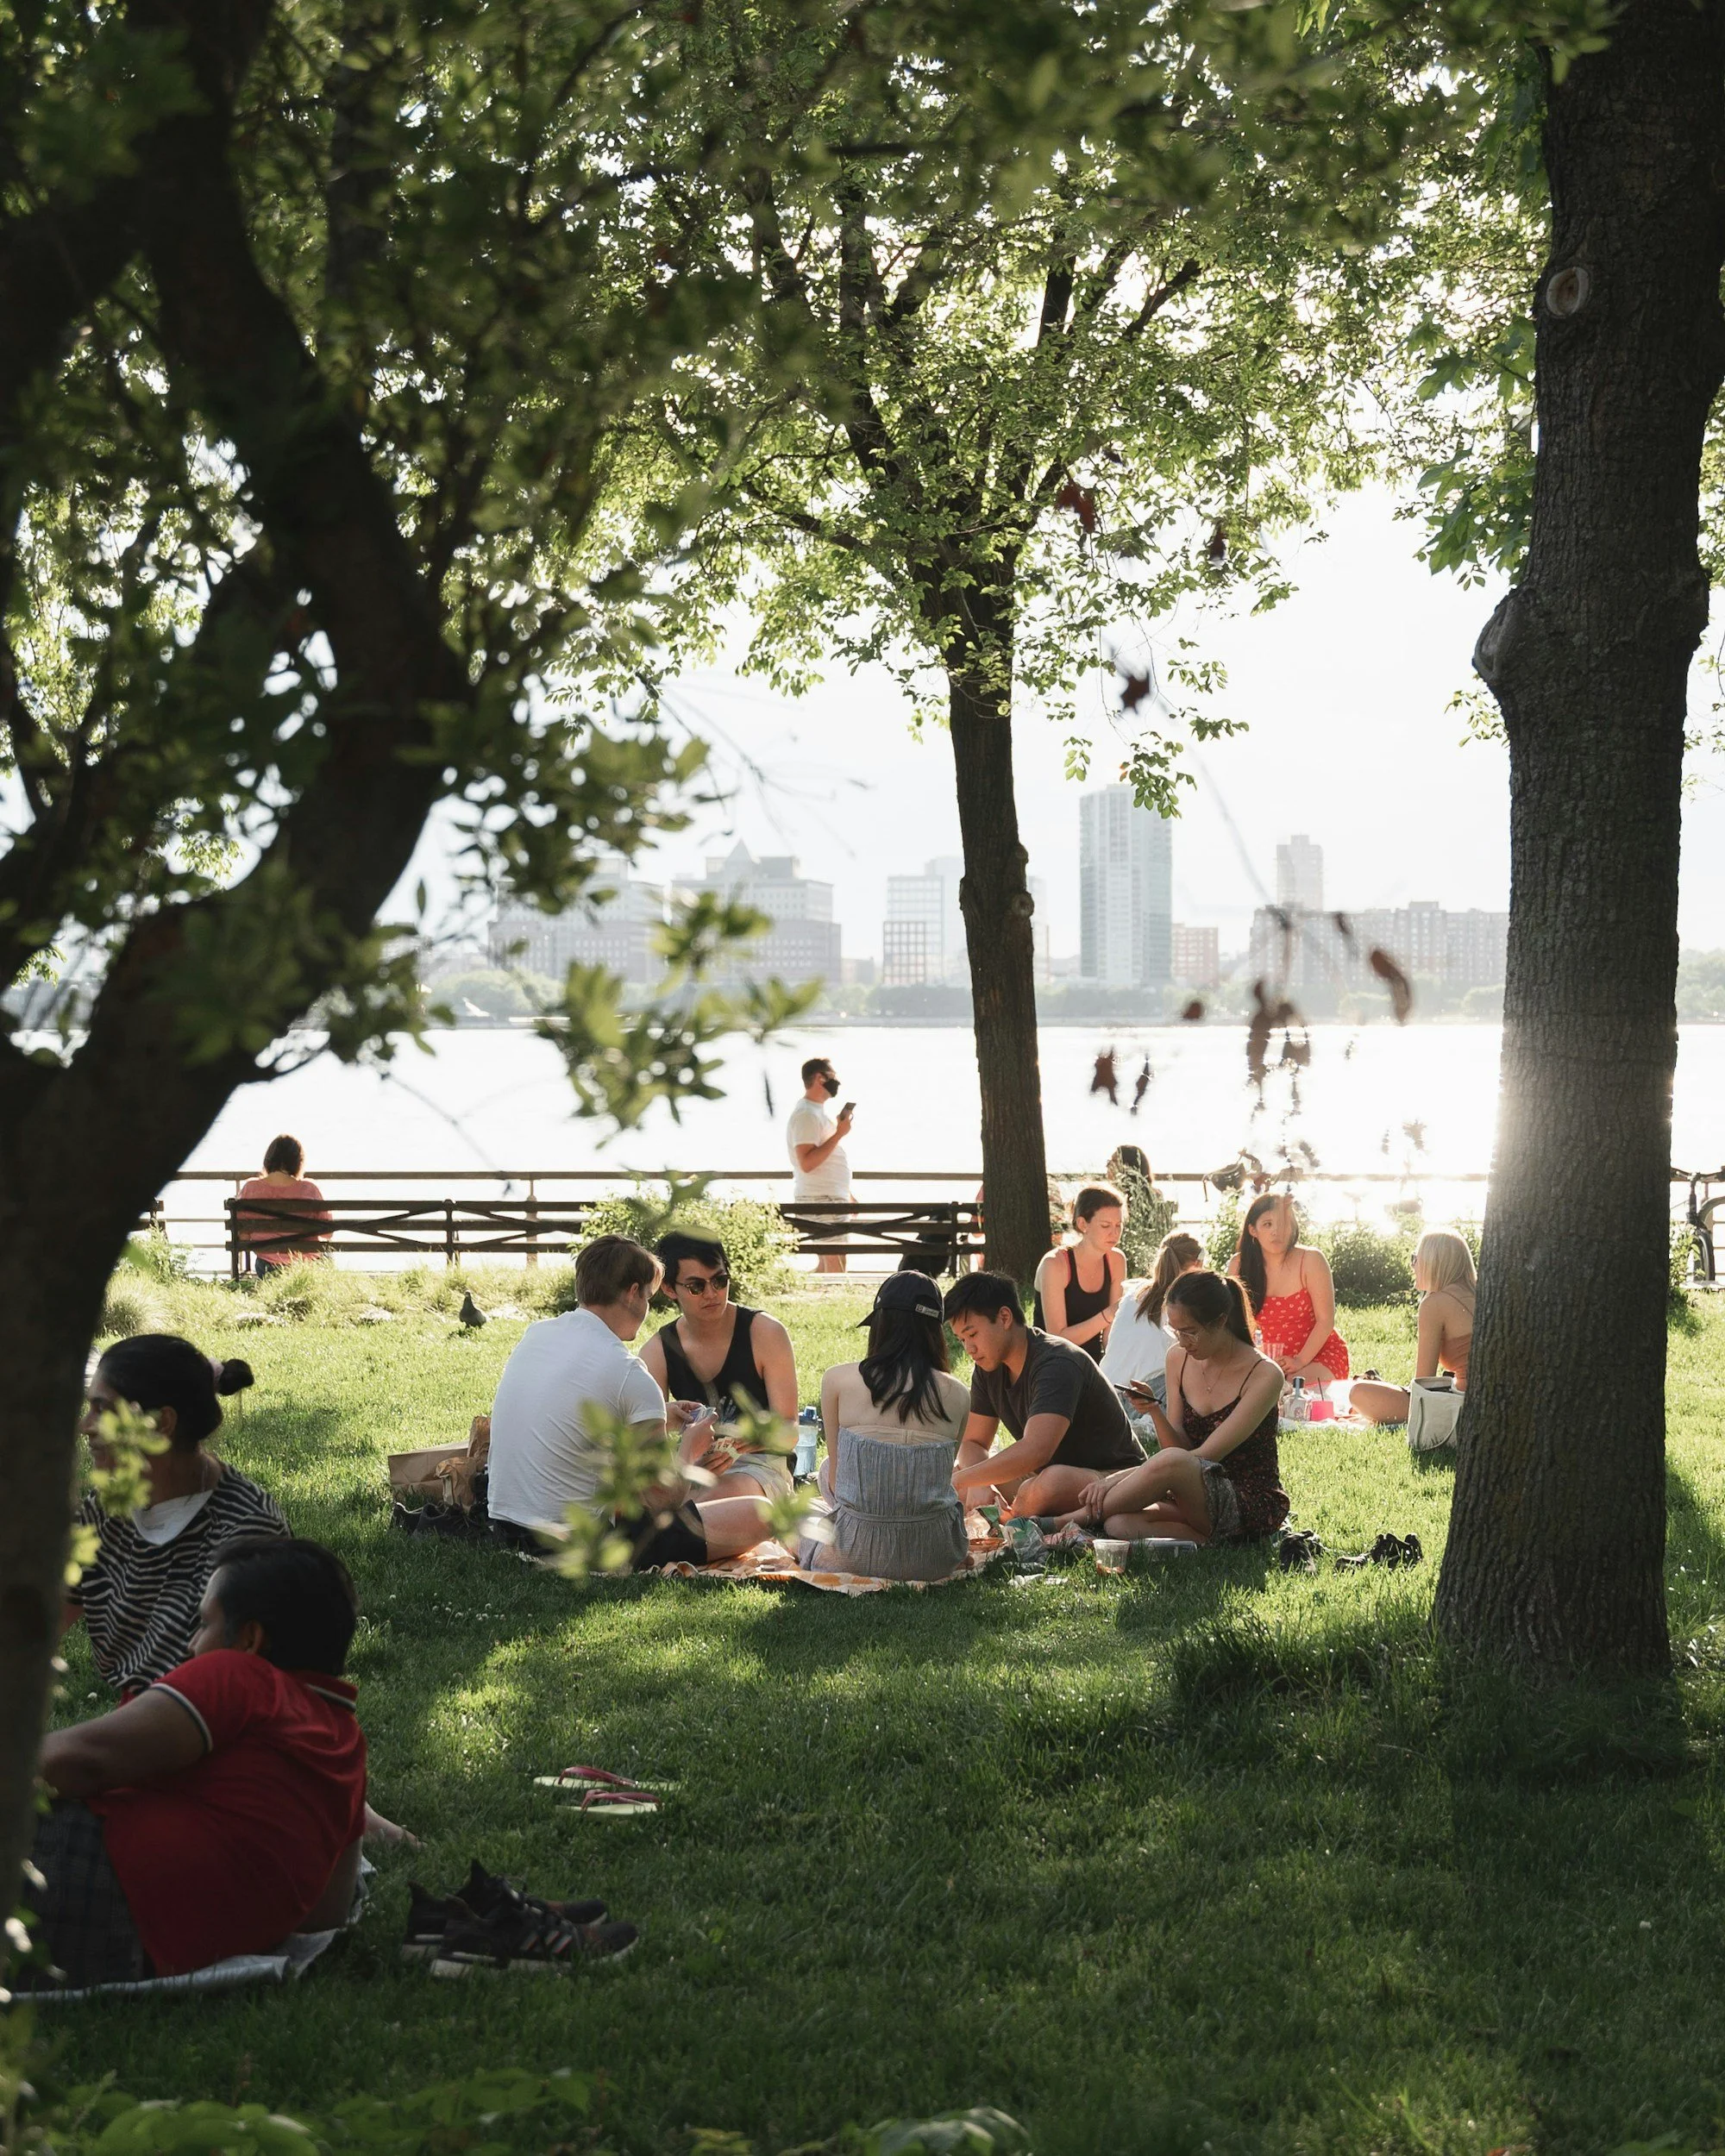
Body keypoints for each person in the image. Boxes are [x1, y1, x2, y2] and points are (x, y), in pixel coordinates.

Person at [24, 1536, 367, 1986]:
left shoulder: (242, 1676)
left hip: (85, 1878)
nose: (190, 1646)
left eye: (204, 1624)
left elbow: (79, 1762)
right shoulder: (346, 1745)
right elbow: (326, 1916)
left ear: (249, 1639)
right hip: (133, 1954)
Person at [486, 1234, 777, 1567]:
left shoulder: (537, 1335)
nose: (647, 1309)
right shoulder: (629, 1373)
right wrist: (689, 1452)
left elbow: (576, 1417)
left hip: (506, 1527)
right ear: (632, 1292)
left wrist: (660, 1413)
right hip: (581, 1544)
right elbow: (659, 1500)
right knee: (760, 1513)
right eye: (649, 1297)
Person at [67, 1335, 287, 1697]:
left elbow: (230, 1690)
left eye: (102, 1410)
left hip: (217, 1724)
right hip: (144, 1721)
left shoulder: (247, 1528)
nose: (85, 1426)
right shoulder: (105, 1509)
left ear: (162, 1422)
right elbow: (32, 1624)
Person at [1064, 1269, 1289, 1545]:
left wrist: (1115, 1480)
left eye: (1190, 1332)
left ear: (1220, 1321)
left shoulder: (1265, 1374)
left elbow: (1202, 1458)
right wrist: (1154, 1410)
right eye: (1175, 1330)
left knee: (1172, 1466)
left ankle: (1063, 1522)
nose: (1181, 1341)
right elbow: (1177, 1449)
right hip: (1190, 1494)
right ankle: (1212, 1542)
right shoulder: (1178, 1358)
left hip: (1244, 1498)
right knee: (1119, 1525)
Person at [798, 1271, 969, 1580]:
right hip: (934, 1555)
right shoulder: (959, 1394)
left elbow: (837, 1483)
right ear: (935, 1331)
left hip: (853, 1554)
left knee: (804, 1505)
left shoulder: (837, 1380)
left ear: (880, 1325)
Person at [944, 1272, 1144, 1518]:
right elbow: (973, 1442)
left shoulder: (1056, 1361)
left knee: (1047, 1485)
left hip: (1111, 1476)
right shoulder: (988, 1367)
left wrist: (966, 1480)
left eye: (972, 1334)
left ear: (1004, 1317)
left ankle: (1012, 1523)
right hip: (1043, 1472)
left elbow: (1036, 1451)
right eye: (961, 1339)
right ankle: (1014, 1516)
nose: (969, 1349)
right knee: (962, 1478)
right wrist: (974, 1482)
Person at [638, 1231, 799, 1505]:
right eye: (696, 1287)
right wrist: (685, 1458)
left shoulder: (765, 1332)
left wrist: (758, 1437)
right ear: (668, 1289)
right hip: (695, 1468)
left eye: (720, 1281)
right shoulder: (658, 1350)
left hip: (760, 1468)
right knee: (660, 1501)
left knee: (704, 1504)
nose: (712, 1294)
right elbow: (647, 1445)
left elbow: (790, 1431)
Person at [1350, 1230, 1477, 1424]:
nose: (1413, 1265)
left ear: (1433, 1262)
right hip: (1485, 1397)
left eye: (1416, 1258)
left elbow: (1423, 1382)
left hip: (1461, 1404)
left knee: (1359, 1392)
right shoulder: (1478, 1292)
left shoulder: (1435, 1303)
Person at [1230, 1193, 1350, 1384]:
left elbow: (1325, 1320)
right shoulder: (1239, 1264)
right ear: (1253, 1230)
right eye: (1268, 1224)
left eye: (1283, 1223)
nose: (1277, 1231)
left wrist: (1299, 1360)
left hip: (1316, 1355)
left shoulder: (1311, 1260)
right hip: (1264, 1361)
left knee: (1291, 1386)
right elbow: (1234, 1323)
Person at [1100, 1229, 1206, 1413]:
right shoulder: (1186, 1301)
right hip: (1143, 1397)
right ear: (1197, 1264)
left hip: (1105, 1393)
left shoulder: (1135, 1293)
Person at [1032, 1184, 1127, 1362]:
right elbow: (1057, 1338)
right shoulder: (1054, 1264)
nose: (1114, 1233)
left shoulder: (1116, 1260)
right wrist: (1109, 1314)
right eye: (1106, 1225)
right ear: (1083, 1224)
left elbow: (1109, 1338)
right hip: (1049, 1361)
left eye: (1118, 1225)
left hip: (1092, 1362)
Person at [786, 1056, 854, 1274]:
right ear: (819, 1078)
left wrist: (847, 1193)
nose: (837, 1083)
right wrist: (839, 1135)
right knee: (836, 1269)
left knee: (827, 1267)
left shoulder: (814, 1112)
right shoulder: (806, 1114)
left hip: (829, 1198)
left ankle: (797, 1292)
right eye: (833, 1077)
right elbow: (806, 1162)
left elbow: (825, 1158)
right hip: (821, 1201)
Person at [235, 1136, 333, 1271]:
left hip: (267, 1267)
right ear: (298, 1162)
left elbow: (243, 1235)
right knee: (327, 1254)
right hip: (306, 1266)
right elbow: (328, 1233)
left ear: (268, 1159)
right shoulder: (310, 1189)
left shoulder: (250, 1188)